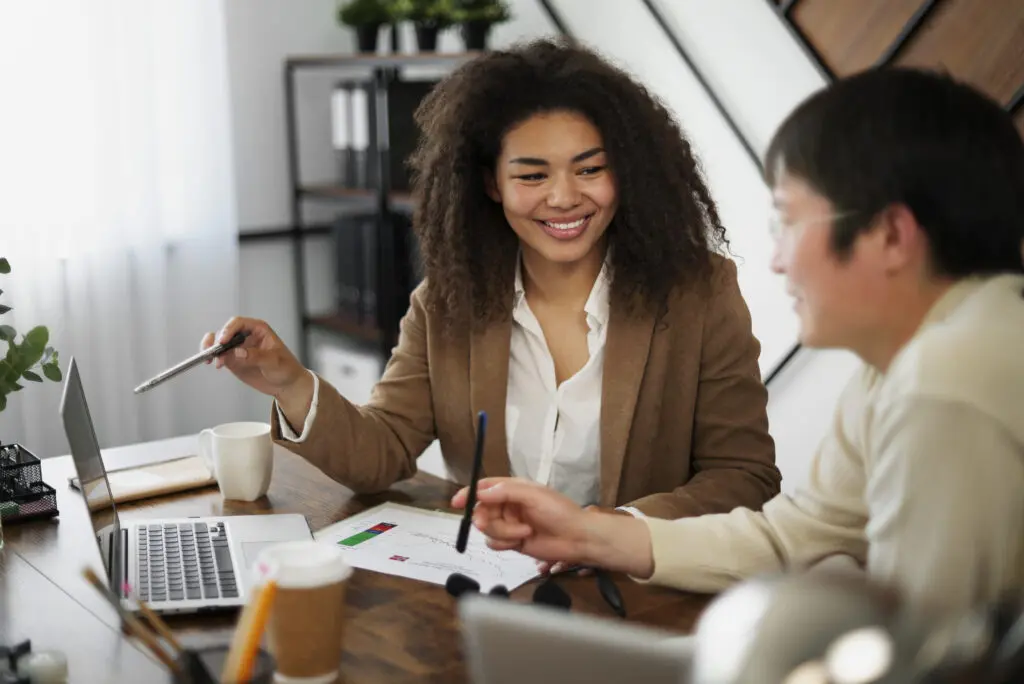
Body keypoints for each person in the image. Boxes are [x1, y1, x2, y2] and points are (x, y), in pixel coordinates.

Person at [453, 67, 1024, 616]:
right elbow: (797, 537)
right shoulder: (913, 359)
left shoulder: (944, 381)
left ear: (891, 235)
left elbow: (938, 650)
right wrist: (586, 533)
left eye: (787, 223)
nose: (776, 261)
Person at [200, 39, 781, 519]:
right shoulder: (446, 303)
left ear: (625, 171)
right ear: (490, 184)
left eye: (590, 169)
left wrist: (611, 530)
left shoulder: (699, 291)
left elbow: (743, 475)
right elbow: (384, 452)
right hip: (495, 588)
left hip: (635, 595)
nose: (564, 197)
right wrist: (289, 382)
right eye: (532, 175)